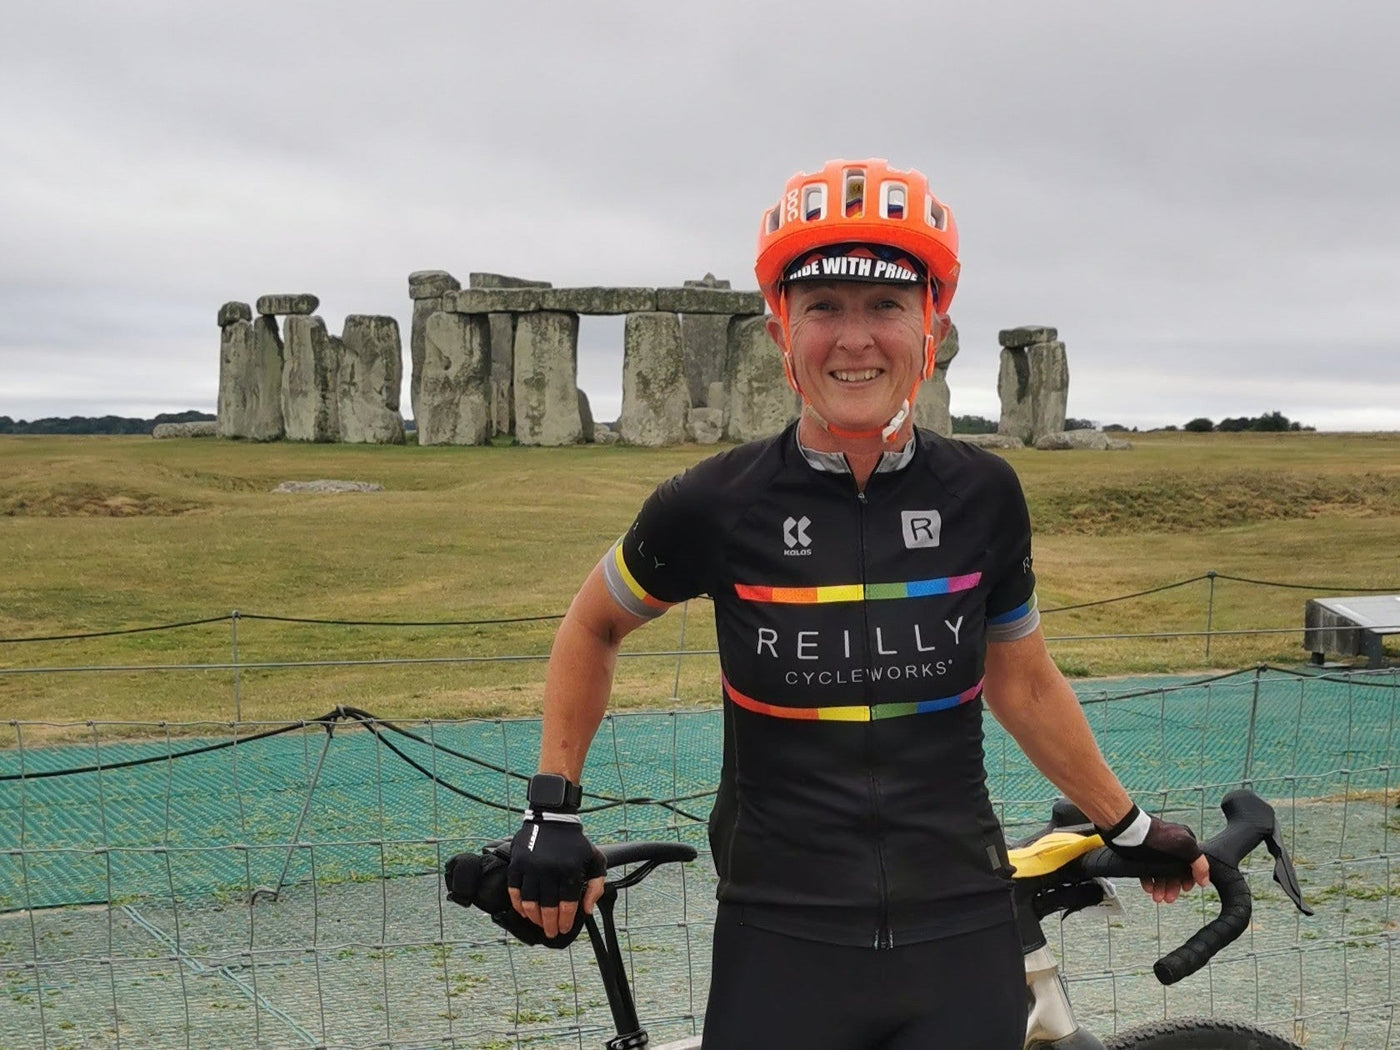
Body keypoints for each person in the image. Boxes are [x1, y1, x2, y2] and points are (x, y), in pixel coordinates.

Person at [505, 158, 1210, 1050]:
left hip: (961, 932)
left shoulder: (984, 495)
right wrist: (552, 808)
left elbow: (1023, 683)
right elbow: (592, 624)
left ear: (933, 326)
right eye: (823, 307)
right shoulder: (717, 502)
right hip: (780, 936)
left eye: (885, 305)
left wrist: (1131, 825)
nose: (854, 339)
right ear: (778, 333)